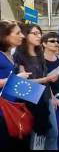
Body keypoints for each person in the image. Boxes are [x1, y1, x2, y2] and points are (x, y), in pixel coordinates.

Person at [14, 23, 59, 150]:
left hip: (45, 99)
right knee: (36, 137)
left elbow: (46, 79)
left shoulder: (40, 53)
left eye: (40, 33)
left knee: (53, 133)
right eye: (35, 33)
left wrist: (52, 96)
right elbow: (23, 83)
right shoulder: (19, 55)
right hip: (30, 101)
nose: (39, 36)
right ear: (26, 35)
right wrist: (46, 79)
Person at [0, 20, 32, 150]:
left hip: (15, 108)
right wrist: (15, 79)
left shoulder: (12, 55)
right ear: (5, 36)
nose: (22, 36)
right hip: (3, 113)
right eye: (18, 33)